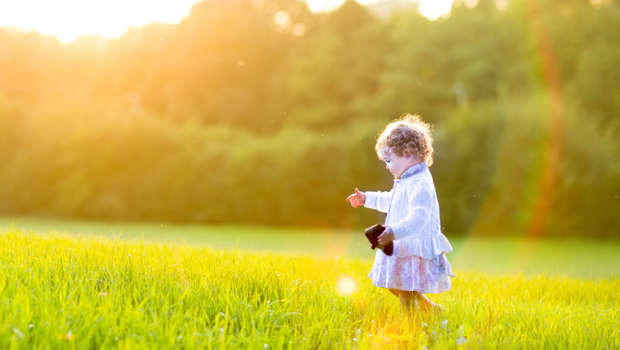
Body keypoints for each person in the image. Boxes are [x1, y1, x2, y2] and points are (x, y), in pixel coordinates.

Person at [346, 114, 455, 314]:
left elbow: (419, 218)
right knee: (393, 284)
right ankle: (430, 309)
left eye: (389, 160)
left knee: (404, 289)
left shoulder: (421, 183)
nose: (387, 166)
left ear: (408, 153)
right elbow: (393, 201)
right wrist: (366, 199)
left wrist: (394, 232)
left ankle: (411, 324)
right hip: (402, 243)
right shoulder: (406, 179)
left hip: (413, 245)